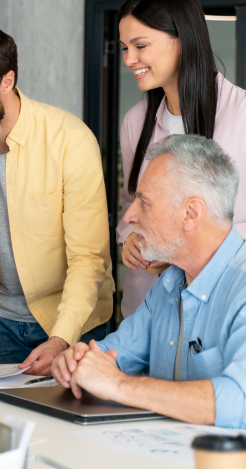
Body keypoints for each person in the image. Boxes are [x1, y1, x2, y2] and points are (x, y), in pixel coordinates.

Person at [0, 20, 114, 375]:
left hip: (75, 321)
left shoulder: (70, 141)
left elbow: (88, 258)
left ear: (7, 81)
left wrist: (61, 338)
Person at [53, 135, 246, 428]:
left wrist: (120, 385)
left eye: (144, 203)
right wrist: (80, 360)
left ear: (190, 214)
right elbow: (116, 352)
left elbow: (240, 402)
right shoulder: (169, 283)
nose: (129, 216)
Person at [117, 0, 246, 317]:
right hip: (150, 306)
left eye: (140, 45)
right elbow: (133, 206)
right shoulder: (135, 122)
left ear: (182, 39)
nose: (129, 59)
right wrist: (132, 239)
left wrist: (182, 248)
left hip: (224, 307)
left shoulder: (242, 114)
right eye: (124, 48)